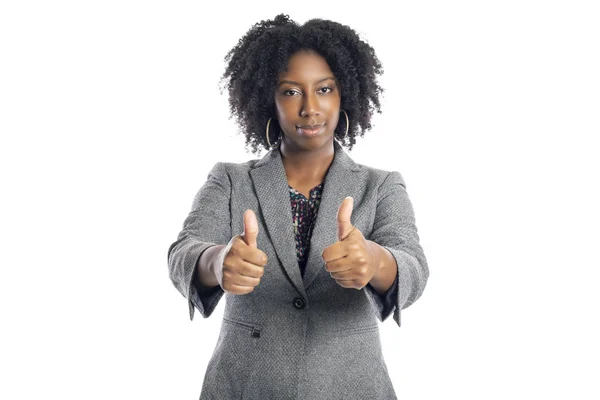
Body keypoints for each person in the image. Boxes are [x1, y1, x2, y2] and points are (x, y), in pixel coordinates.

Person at [167, 14, 429, 400]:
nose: (309, 108)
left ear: (345, 96)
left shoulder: (381, 185)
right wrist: (217, 261)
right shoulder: (230, 179)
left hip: (352, 386)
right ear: (268, 100)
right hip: (245, 385)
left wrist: (375, 261)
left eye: (324, 89)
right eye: (291, 92)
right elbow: (183, 252)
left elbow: (414, 267)